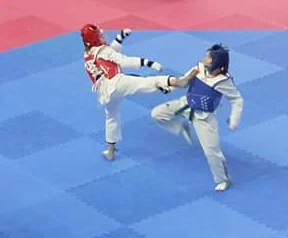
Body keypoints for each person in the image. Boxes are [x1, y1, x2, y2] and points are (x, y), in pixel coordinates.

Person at [81, 24, 182, 161]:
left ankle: (110, 151)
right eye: (100, 35)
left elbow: (111, 53)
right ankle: (176, 82)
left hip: (105, 93)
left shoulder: (88, 54)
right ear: (96, 39)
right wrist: (149, 63)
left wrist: (121, 37)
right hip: (116, 82)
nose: (103, 36)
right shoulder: (104, 50)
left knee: (112, 116)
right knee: (145, 82)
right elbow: (123, 61)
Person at [151, 45, 243, 192]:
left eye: (208, 57)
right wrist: (168, 88)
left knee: (211, 151)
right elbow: (183, 81)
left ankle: (223, 180)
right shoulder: (199, 68)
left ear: (216, 62)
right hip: (185, 105)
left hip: (204, 118)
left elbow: (237, 100)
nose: (204, 58)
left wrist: (234, 120)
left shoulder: (223, 81)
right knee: (157, 114)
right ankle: (180, 127)